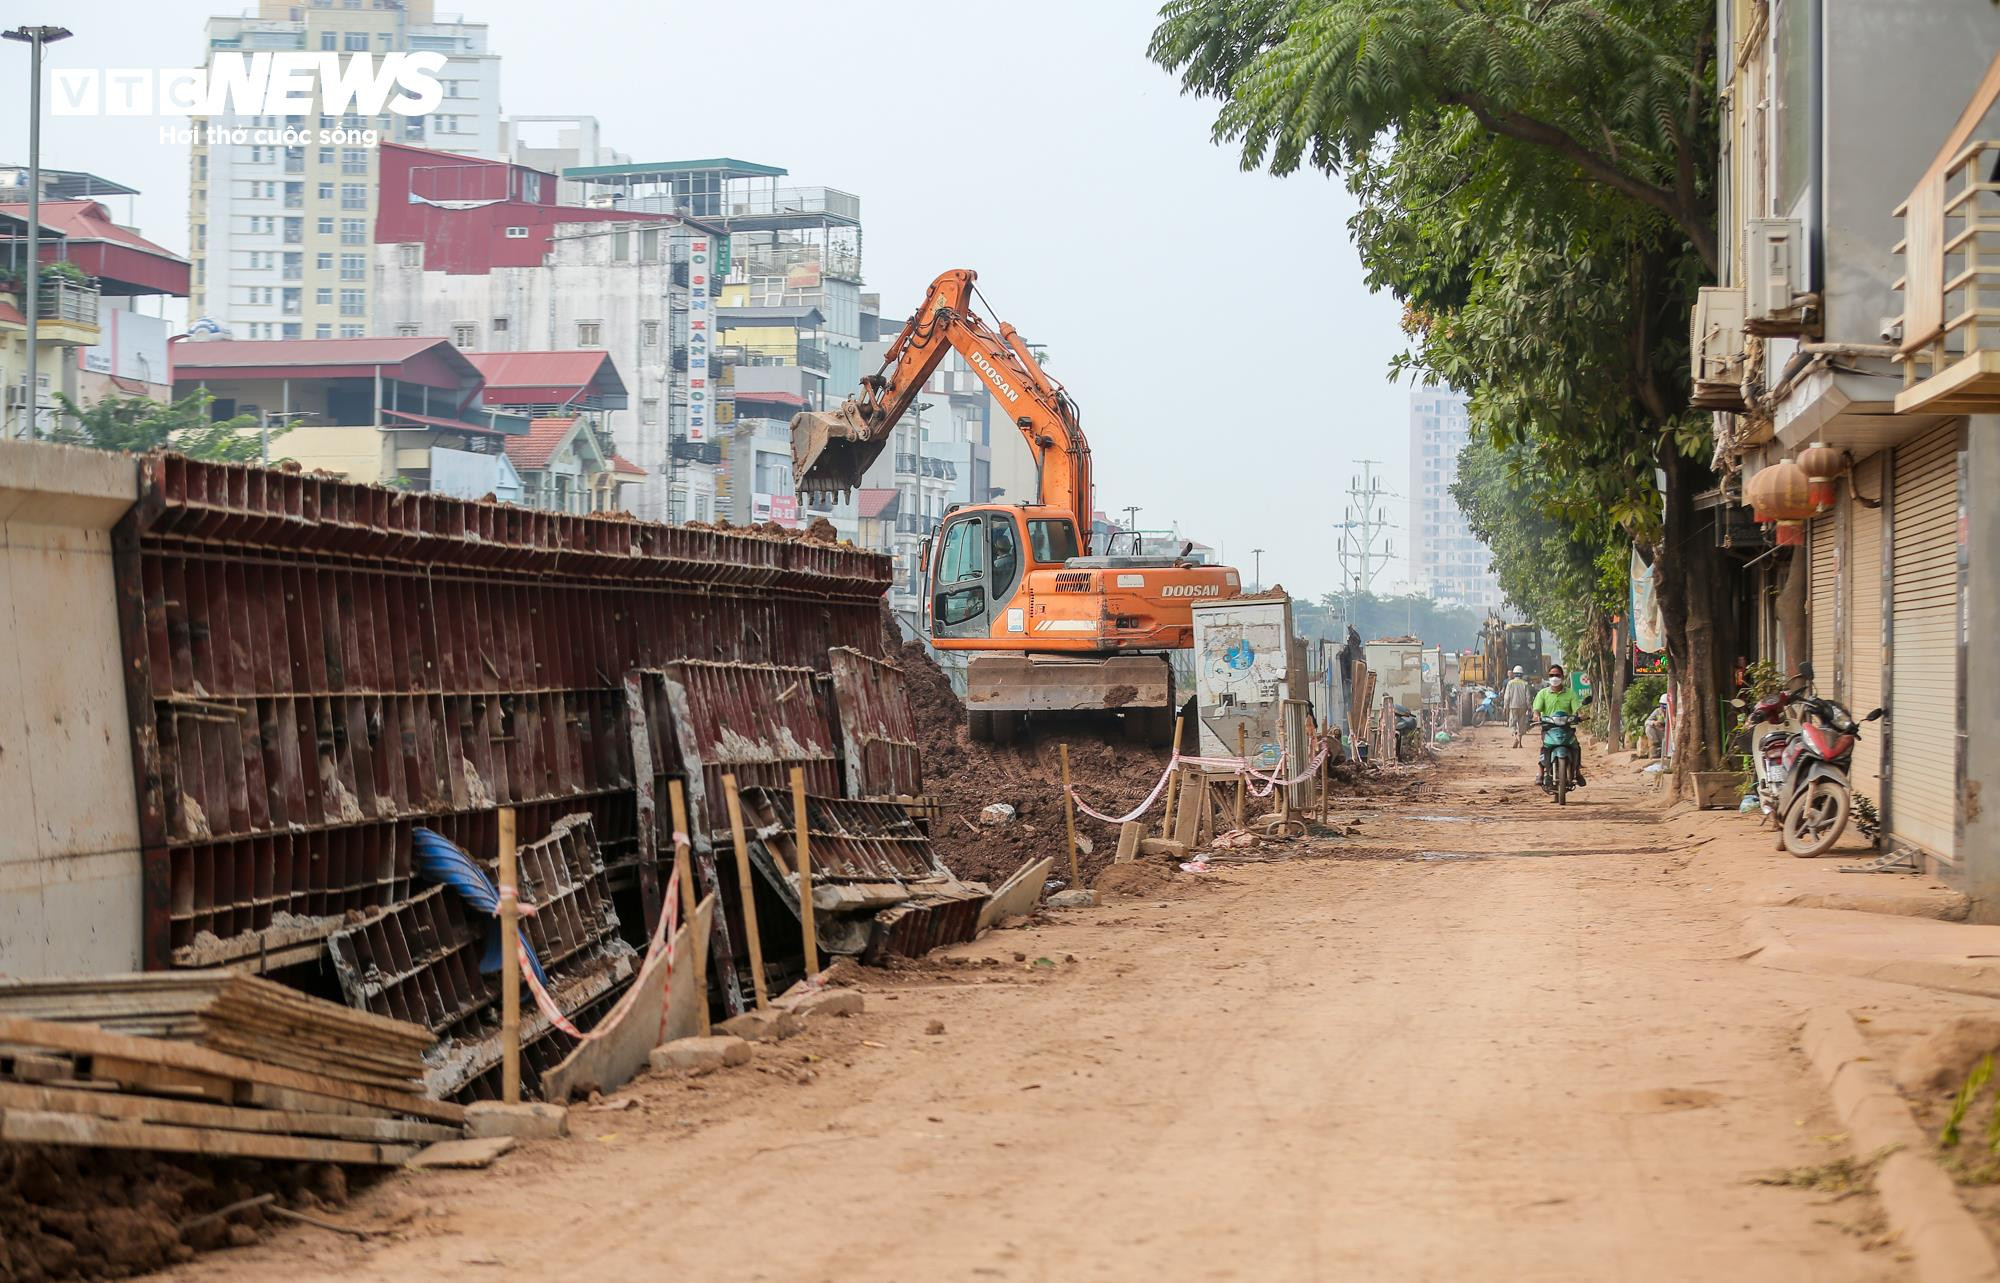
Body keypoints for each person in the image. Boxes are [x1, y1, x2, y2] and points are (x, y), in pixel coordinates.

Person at [1531, 664, 1588, 789]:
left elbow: (1577, 709)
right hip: (1549, 728)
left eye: (1557, 675)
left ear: (1562, 676)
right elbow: (1536, 709)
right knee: (1545, 747)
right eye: (1552, 675)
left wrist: (1581, 715)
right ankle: (1541, 773)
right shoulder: (1543, 693)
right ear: (1548, 677)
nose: (1554, 678)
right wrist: (1536, 716)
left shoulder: (1570, 693)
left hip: (1566, 728)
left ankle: (1577, 772)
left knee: (1576, 746)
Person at [1502, 666, 1533, 745]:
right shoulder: (1525, 683)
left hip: (1512, 706)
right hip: (1523, 707)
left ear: (1514, 674)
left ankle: (1516, 737)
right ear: (1522, 674)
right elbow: (1528, 697)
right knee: (1521, 724)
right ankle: (1520, 742)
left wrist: (1505, 707)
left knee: (1512, 723)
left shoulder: (1510, 683)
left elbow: (1506, 697)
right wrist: (1529, 707)